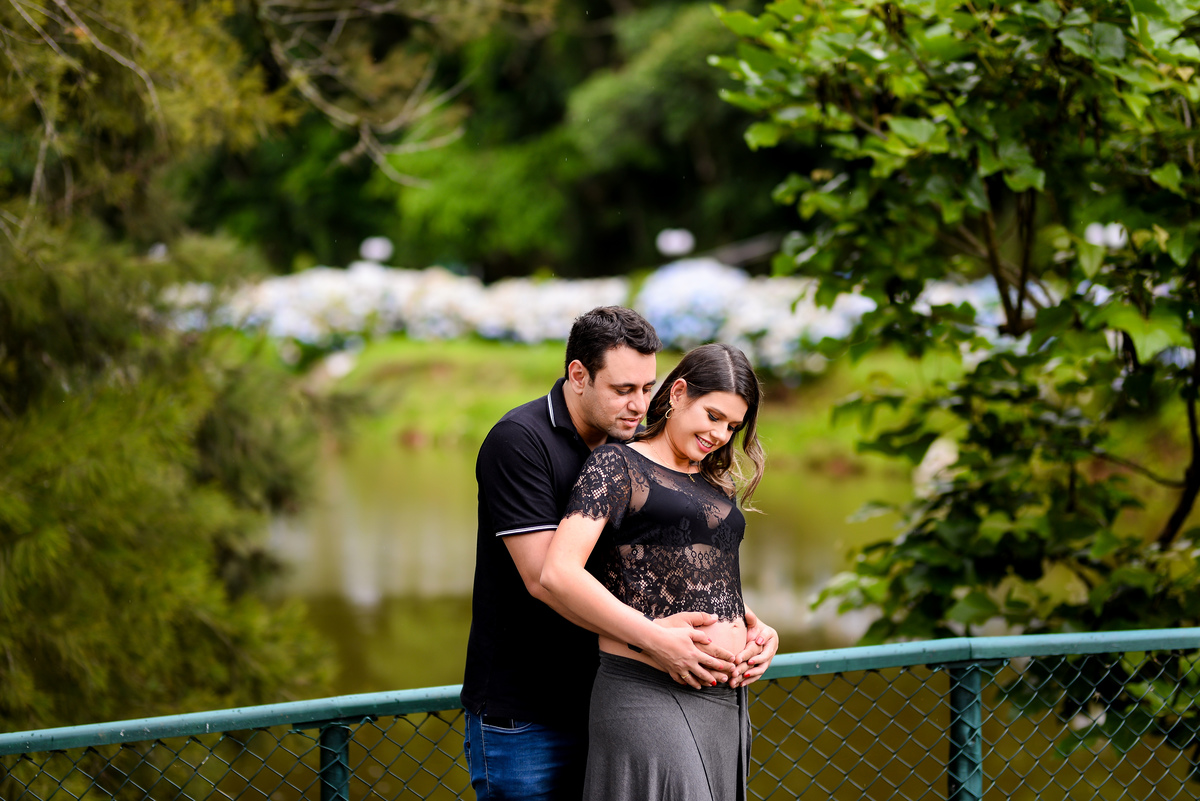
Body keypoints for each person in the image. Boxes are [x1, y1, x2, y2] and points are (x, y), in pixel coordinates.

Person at [461, 308, 778, 801]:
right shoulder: (520, 442)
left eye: (647, 387)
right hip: (529, 706)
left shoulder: (632, 444)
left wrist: (743, 621)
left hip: (611, 685)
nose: (638, 404)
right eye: (624, 389)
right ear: (579, 375)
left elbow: (649, 562)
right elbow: (547, 578)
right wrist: (655, 638)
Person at [540, 342, 771, 801]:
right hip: (648, 687)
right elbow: (558, 572)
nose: (721, 435)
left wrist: (754, 627)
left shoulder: (712, 483)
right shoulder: (617, 464)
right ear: (679, 393)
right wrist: (652, 635)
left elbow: (697, 577)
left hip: (723, 699)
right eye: (713, 416)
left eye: (733, 426)